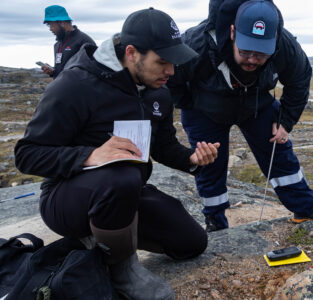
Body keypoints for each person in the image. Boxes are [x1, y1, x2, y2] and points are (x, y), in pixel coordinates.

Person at [15, 7, 219, 300]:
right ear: (132, 52)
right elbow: (27, 154)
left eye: (174, 63)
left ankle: (103, 240)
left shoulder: (158, 90)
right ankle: (121, 268)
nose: (171, 72)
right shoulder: (76, 84)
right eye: (162, 62)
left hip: (125, 194)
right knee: (121, 177)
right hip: (66, 198)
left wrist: (191, 159)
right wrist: (89, 156)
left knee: (191, 243)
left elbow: (161, 146)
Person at [168, 0, 313, 232]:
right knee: (209, 162)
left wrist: (285, 121)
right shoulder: (197, 43)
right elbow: (171, 78)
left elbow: (300, 79)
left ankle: (306, 210)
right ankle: (216, 223)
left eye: (261, 54)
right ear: (232, 32)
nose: (252, 60)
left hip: (257, 104)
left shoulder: (285, 44)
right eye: (245, 51)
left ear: (273, 42)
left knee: (279, 153)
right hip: (204, 108)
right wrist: (190, 104)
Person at [41, 5, 96, 78]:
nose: (50, 29)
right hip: (61, 87)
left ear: (62, 22)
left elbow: (94, 71)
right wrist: (53, 72)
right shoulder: (57, 45)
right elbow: (62, 70)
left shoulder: (84, 41)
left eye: (51, 25)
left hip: (79, 88)